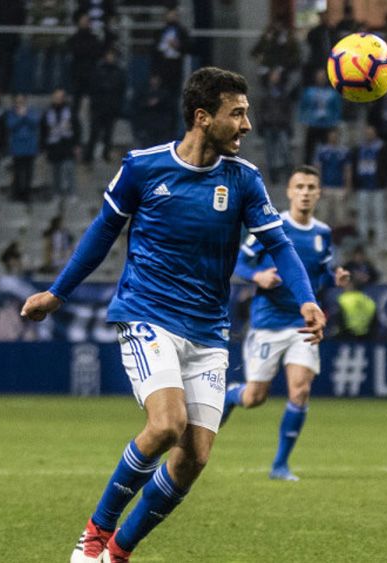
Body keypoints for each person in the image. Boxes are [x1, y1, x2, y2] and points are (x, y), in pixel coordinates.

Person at [20, 67, 326, 563]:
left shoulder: (244, 180)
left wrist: (307, 297)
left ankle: (117, 553)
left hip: (208, 330)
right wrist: (58, 293)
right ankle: (96, 531)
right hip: (148, 314)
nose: (247, 125)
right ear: (203, 117)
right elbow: (102, 233)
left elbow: (279, 245)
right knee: (165, 426)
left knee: (193, 459)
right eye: (238, 113)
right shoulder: (143, 168)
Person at [221, 165, 349, 481]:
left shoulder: (322, 233)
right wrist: (257, 276)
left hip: (302, 323)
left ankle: (280, 465)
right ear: (290, 192)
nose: (305, 192)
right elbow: (238, 260)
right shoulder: (272, 226)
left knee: (300, 390)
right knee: (255, 398)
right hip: (267, 322)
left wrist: (335, 277)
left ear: (319, 194)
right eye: (300, 187)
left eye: (311, 187)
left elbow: (317, 273)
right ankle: (231, 395)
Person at [41, 88, 81, 201]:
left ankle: (71, 192)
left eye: (60, 97)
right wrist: (43, 147)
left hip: (68, 145)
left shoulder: (70, 111)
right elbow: (43, 130)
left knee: (69, 169)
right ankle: (56, 192)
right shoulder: (48, 112)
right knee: (55, 172)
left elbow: (77, 128)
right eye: (56, 97)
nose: (58, 99)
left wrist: (77, 145)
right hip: (54, 146)